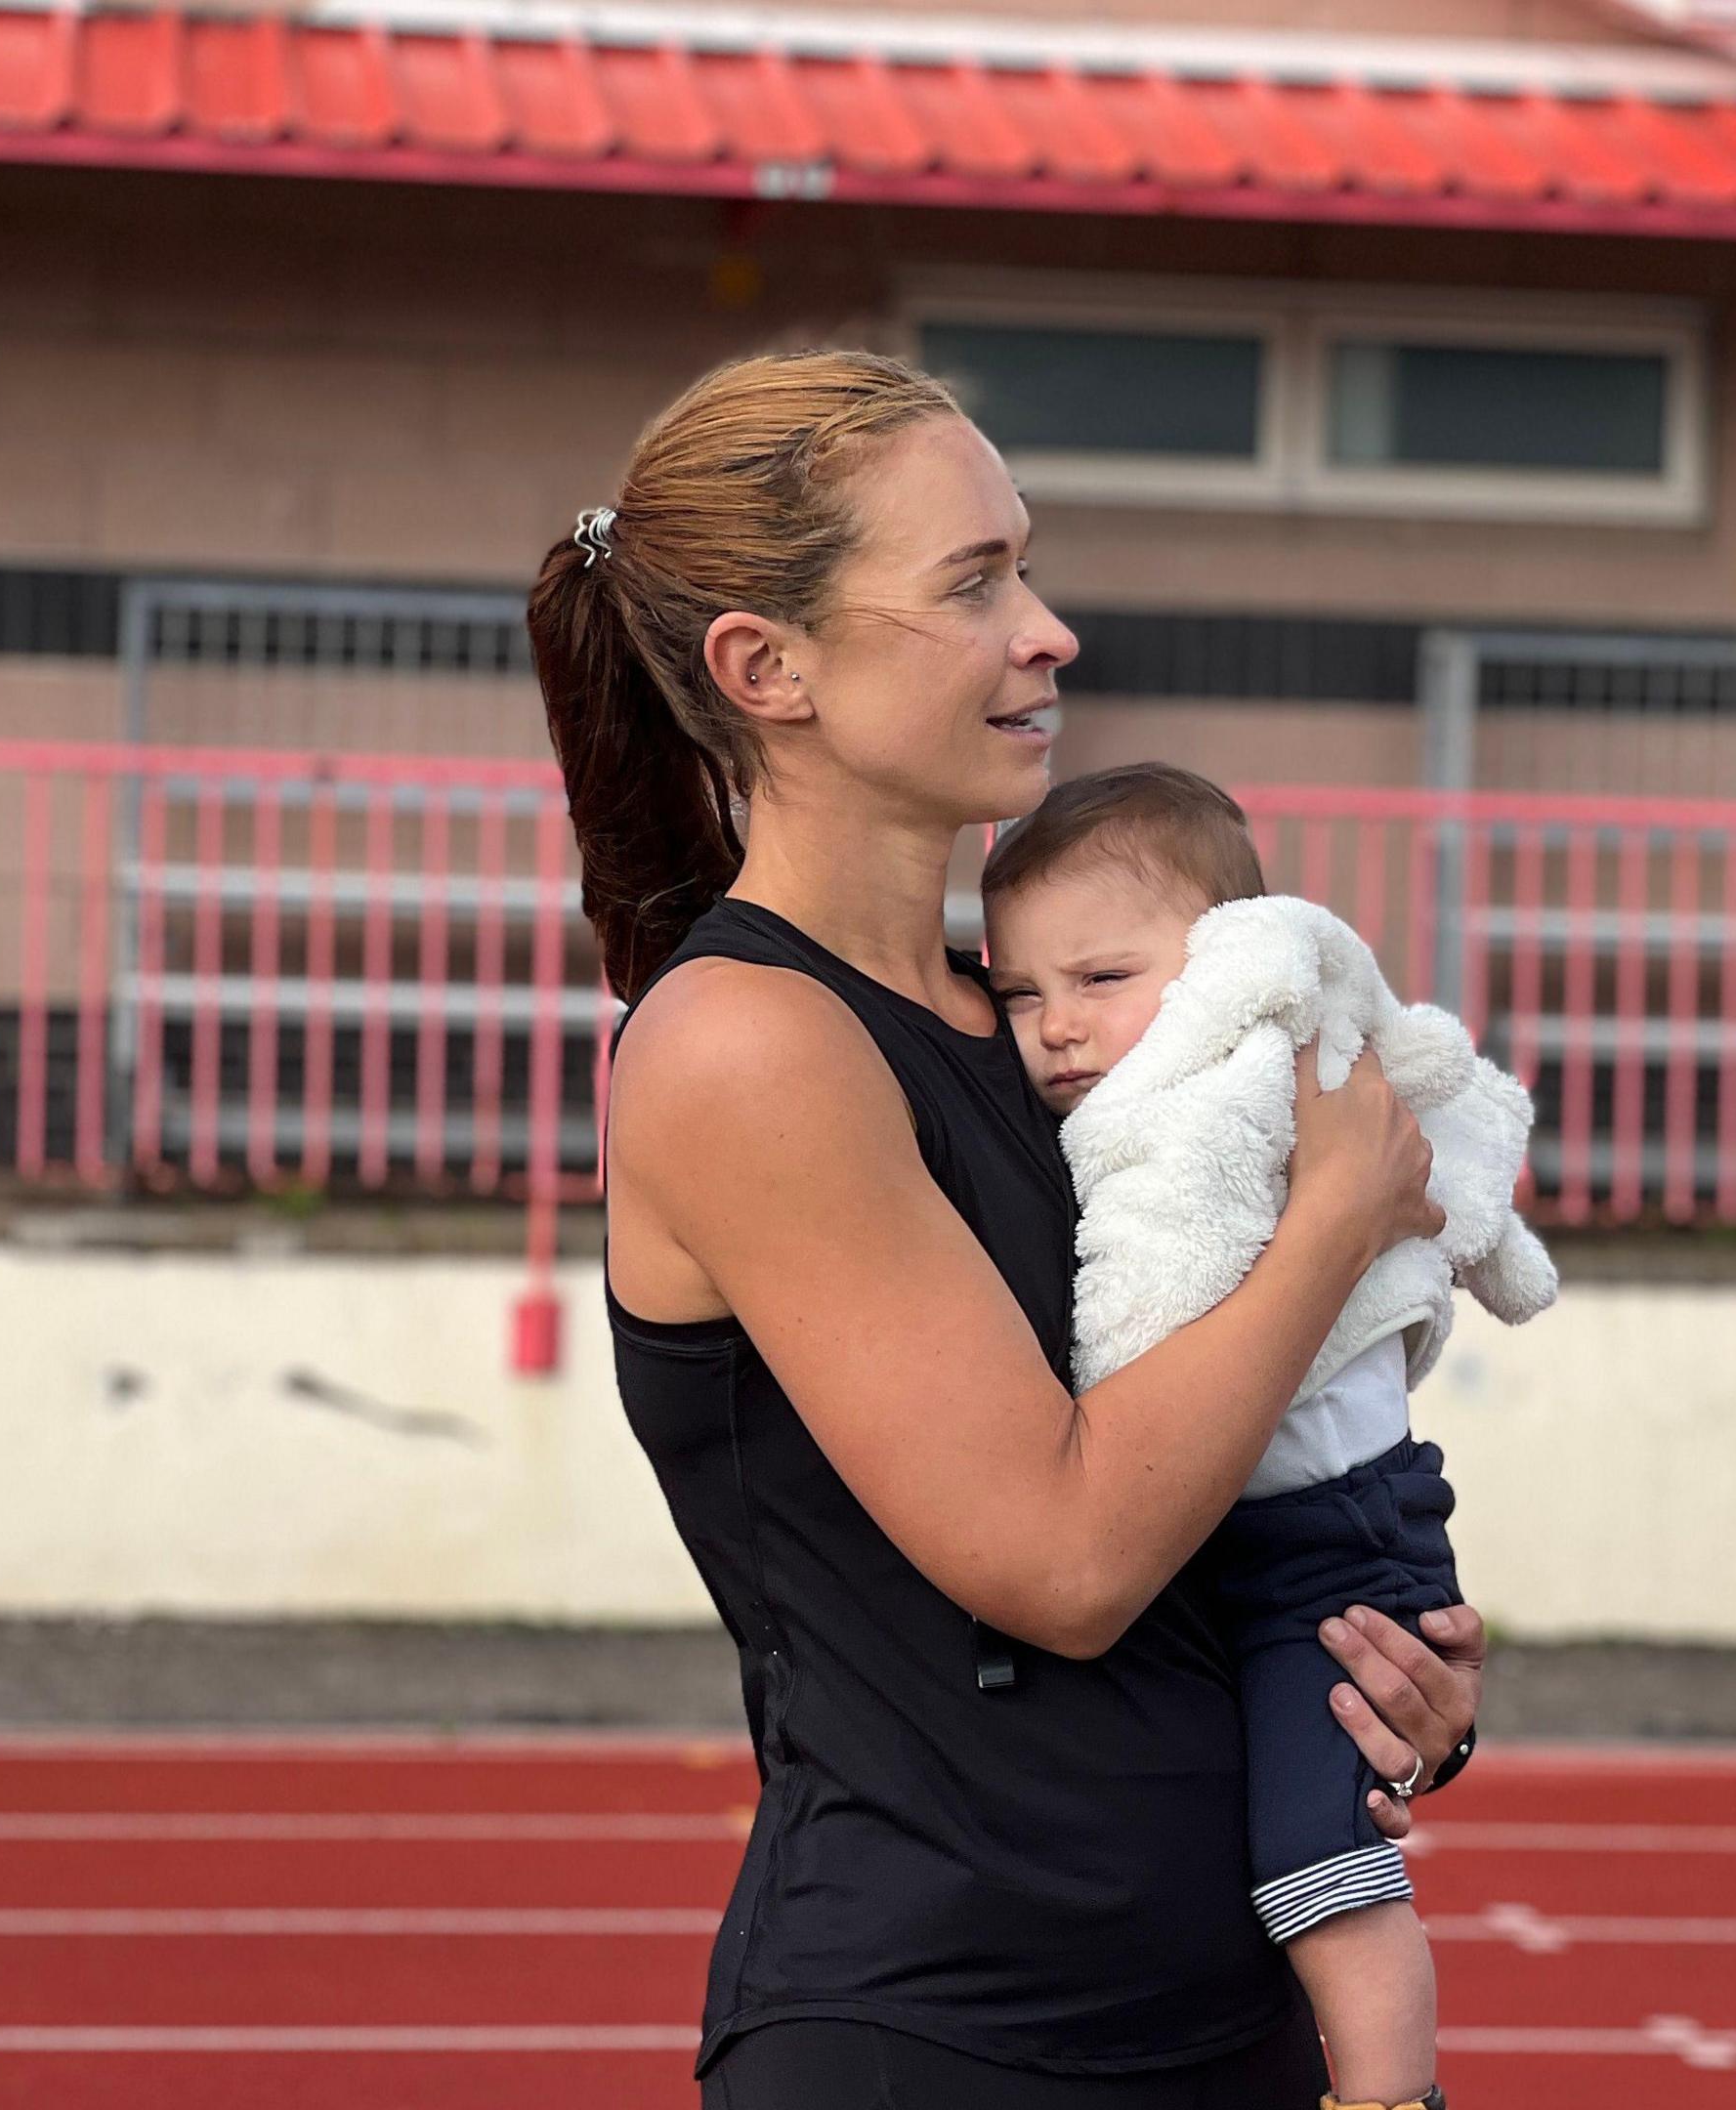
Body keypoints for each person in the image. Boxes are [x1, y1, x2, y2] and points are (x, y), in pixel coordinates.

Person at [532, 349, 1483, 2110]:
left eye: (1026, 564)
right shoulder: (750, 1046)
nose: (1048, 629)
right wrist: (1335, 1219)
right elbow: (1061, 1557)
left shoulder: (1036, 1033)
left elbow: (1203, 1486)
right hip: (947, 2036)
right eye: (973, 581)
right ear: (767, 667)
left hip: (1220, 2014)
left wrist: (1373, 1661)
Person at [978, 763, 1559, 2110]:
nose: (1056, 1027)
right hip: (1228, 1545)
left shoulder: (1246, 1094)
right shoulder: (1111, 1107)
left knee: (1318, 1870)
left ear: (1225, 966)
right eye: (1020, 994)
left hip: (1327, 1547)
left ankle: (1387, 2100)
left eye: (1101, 981)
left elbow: (1162, 1299)